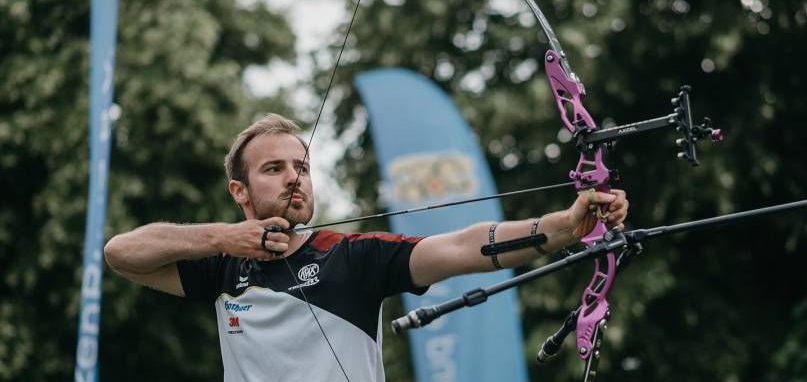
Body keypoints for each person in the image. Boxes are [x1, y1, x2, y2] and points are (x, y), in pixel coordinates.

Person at [104, 113, 629, 382]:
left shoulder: (352, 256)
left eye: (302, 167)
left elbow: (466, 246)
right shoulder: (219, 268)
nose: (294, 178)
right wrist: (223, 237)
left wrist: (563, 226)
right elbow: (121, 253)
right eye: (274, 169)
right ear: (239, 192)